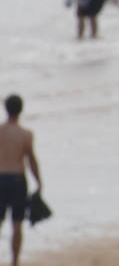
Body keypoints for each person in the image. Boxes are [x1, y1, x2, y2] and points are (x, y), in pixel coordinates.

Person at [0, 94, 41, 266]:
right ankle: (14, 262)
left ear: (5, 108)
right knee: (17, 225)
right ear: (21, 110)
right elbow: (31, 160)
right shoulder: (26, 134)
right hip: (18, 180)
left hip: (0, 179)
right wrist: (39, 182)